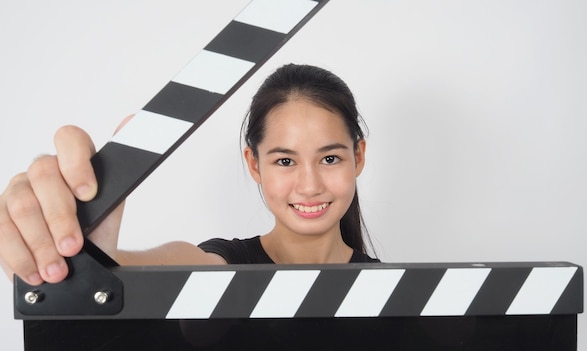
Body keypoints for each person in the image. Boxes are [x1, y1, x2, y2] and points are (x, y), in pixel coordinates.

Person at [0, 64, 378, 286]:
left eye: (330, 159)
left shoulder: (391, 285)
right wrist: (91, 254)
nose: (310, 186)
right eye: (284, 161)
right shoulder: (222, 265)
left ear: (357, 156)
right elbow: (157, 268)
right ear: (254, 163)